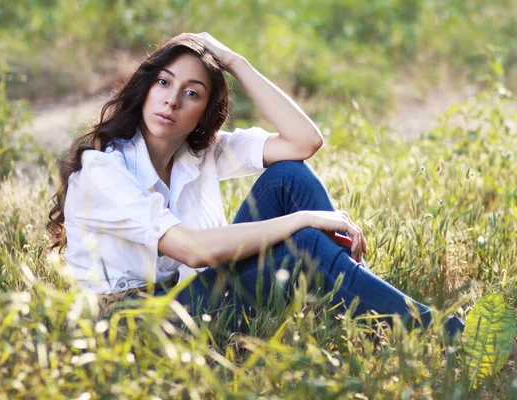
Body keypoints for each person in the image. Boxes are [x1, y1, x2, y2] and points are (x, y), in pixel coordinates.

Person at [48, 32, 466, 338]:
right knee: (302, 238)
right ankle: (443, 336)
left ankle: (368, 309)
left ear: (205, 112)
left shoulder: (200, 152)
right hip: (135, 326)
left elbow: (304, 142)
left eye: (191, 93)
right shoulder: (103, 171)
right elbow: (193, 251)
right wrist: (302, 220)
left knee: (289, 176)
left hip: (193, 298)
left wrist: (236, 63)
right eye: (163, 83)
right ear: (145, 89)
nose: (171, 100)